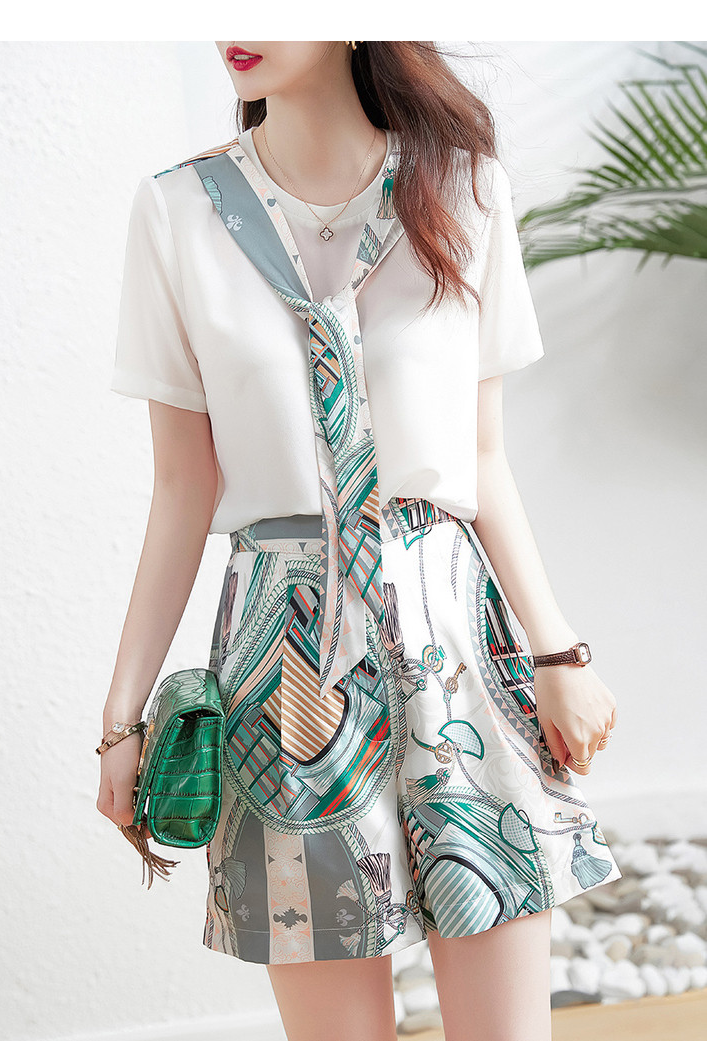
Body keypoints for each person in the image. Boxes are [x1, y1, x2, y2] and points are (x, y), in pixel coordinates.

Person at [97, 41, 621, 1041]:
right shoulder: (178, 212)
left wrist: (559, 653)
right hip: (283, 665)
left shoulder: (464, 189)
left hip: (453, 641)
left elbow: (483, 459)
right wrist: (122, 721)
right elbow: (181, 489)